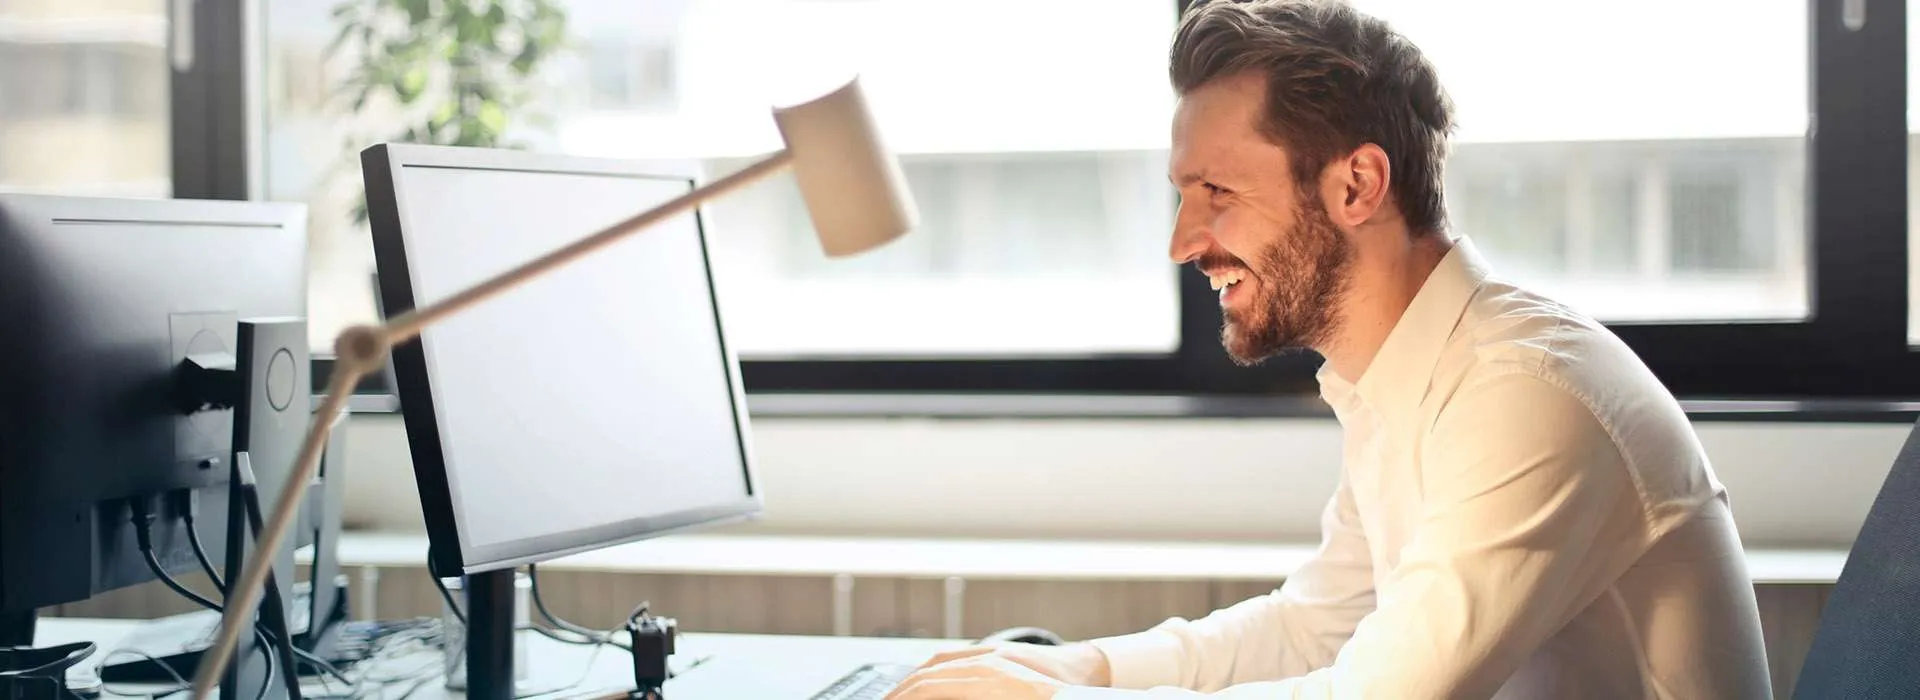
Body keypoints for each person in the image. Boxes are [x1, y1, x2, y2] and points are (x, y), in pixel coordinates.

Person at [883, 1, 1773, 698]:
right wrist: (1077, 671)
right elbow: (1313, 628)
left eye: (1217, 190)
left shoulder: (1526, 394)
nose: (1183, 240)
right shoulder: (1397, 377)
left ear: (1357, 183)